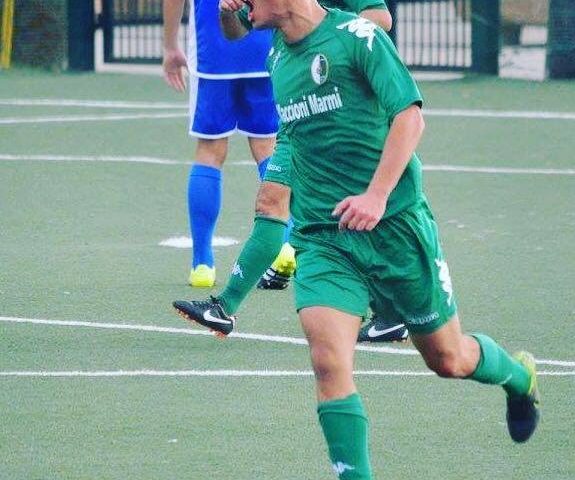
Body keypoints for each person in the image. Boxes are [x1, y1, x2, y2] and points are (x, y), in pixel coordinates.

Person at [177, 0, 542, 477]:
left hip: (396, 229)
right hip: (325, 239)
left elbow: (410, 117)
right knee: (328, 362)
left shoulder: (358, 38)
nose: (237, 2)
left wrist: (376, 194)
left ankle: (518, 378)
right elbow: (231, 30)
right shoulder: (276, 56)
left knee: (449, 358)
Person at [173, 0, 408, 343]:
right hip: (297, 104)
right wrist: (227, 12)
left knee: (339, 213)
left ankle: (390, 311)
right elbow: (236, 30)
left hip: (336, 108)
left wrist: (325, 38)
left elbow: (380, 18)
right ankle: (224, 307)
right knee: (271, 202)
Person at [163, 0, 294, 288]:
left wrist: (170, 45)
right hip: (263, 40)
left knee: (210, 150)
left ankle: (202, 264)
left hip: (214, 47)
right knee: (268, 146)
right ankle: (284, 243)